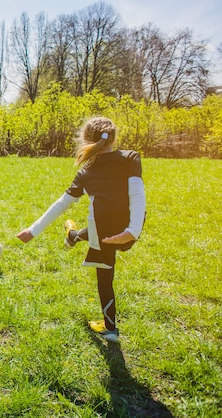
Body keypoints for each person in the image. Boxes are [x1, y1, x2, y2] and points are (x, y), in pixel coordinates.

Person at [16, 117, 146, 343]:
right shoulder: (130, 157)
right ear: (113, 138)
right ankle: (73, 236)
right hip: (127, 226)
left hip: (104, 232)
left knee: (105, 279)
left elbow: (62, 204)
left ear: (86, 140)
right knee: (101, 241)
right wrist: (133, 230)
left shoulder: (88, 170)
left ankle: (111, 328)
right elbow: (137, 195)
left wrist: (33, 230)